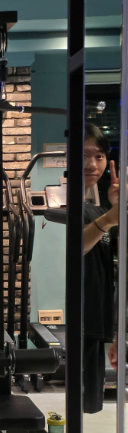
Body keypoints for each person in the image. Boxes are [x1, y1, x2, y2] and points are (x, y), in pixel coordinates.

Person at [82, 123, 119, 413]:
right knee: (76, 406)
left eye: (99, 156)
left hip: (96, 318)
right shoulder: (63, 205)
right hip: (79, 320)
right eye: (83, 155)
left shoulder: (101, 210)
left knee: (89, 408)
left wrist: (118, 211)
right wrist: (110, 218)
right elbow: (76, 247)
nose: (92, 164)